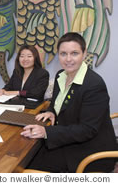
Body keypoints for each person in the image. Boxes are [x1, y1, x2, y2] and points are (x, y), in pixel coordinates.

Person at [21, 32, 117, 172]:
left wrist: (46, 131)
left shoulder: (94, 85)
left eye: (74, 53)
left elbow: (87, 130)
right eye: (63, 54)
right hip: (67, 138)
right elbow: (56, 103)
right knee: (27, 156)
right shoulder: (61, 75)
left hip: (88, 149)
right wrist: (51, 111)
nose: (68, 59)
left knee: (26, 165)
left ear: (84, 54)